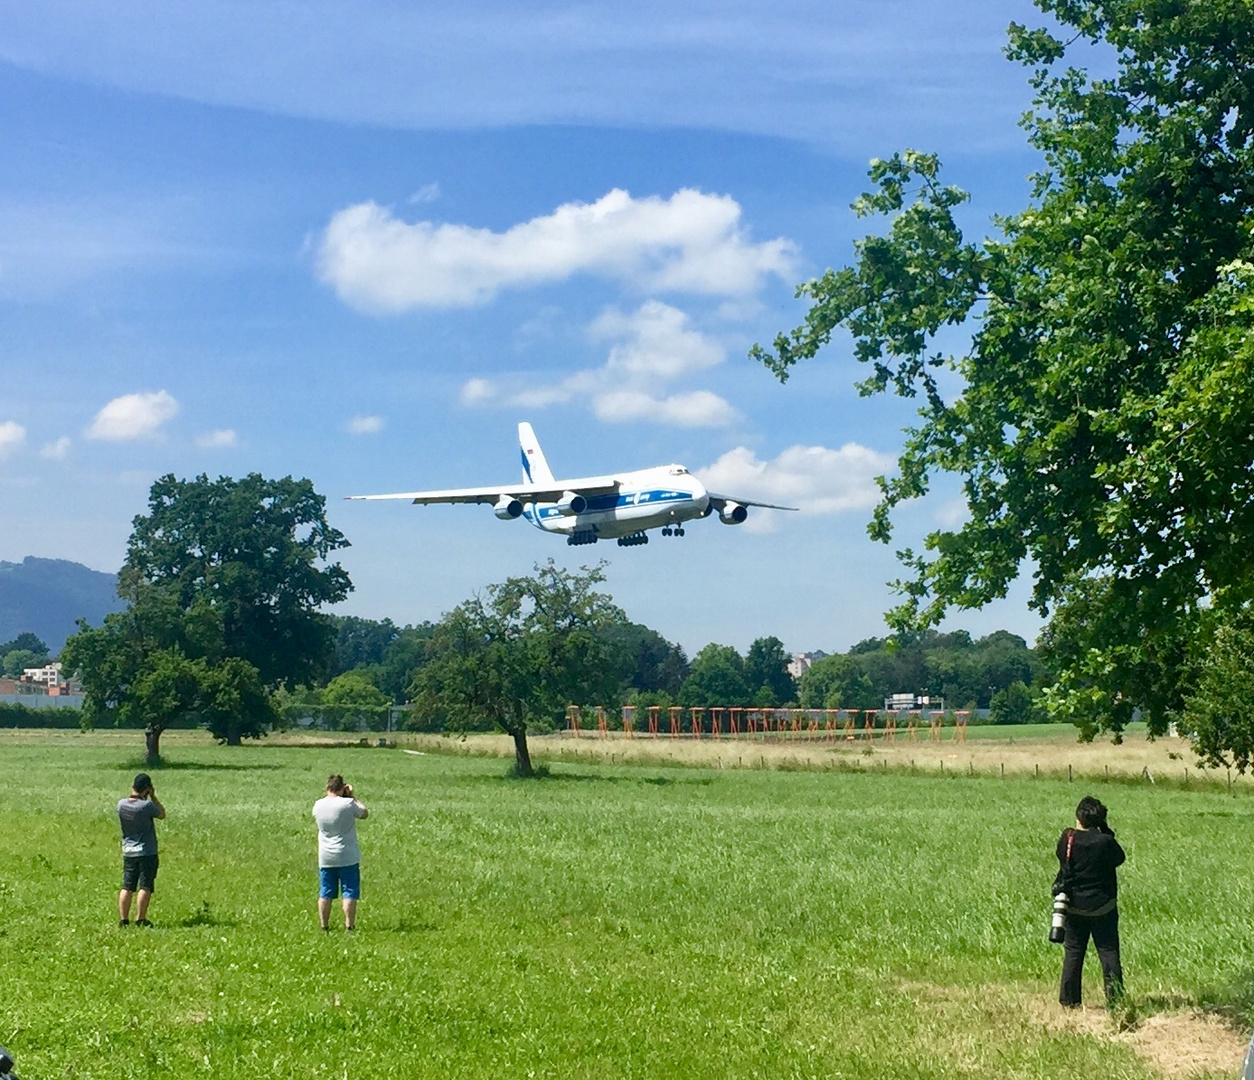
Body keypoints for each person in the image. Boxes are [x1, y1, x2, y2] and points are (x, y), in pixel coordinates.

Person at [1053, 795, 1125, 1008]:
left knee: (1074, 952)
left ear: (1078, 817)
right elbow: (1119, 858)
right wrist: (1105, 830)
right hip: (1103, 906)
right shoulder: (1105, 842)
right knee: (1109, 953)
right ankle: (1115, 1001)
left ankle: (1069, 1001)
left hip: (1073, 905)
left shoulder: (1068, 838)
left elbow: (1060, 856)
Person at [313, 774, 369, 931]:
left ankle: (324, 925)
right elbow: (364, 813)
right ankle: (349, 925)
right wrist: (351, 795)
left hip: (325, 856)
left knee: (325, 891)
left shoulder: (318, 805)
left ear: (327, 788)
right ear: (342, 788)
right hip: (347, 854)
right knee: (349, 891)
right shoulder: (348, 803)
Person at [117, 772, 165, 927]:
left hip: (128, 851)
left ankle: (124, 920)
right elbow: (162, 814)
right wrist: (154, 797)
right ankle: (140, 919)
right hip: (146, 851)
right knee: (145, 886)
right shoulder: (147, 806)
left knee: (127, 886)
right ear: (147, 789)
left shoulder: (121, 804)